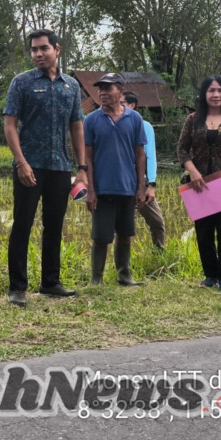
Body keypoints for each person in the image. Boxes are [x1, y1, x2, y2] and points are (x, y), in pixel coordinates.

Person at [3, 28, 87, 307]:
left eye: (43, 48)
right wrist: (21, 162)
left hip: (61, 167)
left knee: (54, 225)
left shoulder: (71, 86)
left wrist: (82, 166)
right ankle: (17, 288)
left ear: (57, 50)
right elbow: (10, 124)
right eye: (34, 50)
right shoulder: (22, 83)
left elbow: (76, 126)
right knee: (23, 225)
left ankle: (50, 282)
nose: (38, 54)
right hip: (30, 166)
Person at [177, 76, 221, 293]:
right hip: (199, 185)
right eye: (211, 90)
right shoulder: (193, 119)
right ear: (204, 94)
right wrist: (194, 173)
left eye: (220, 90)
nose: (216, 95)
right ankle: (210, 275)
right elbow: (181, 149)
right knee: (204, 233)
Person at [85, 74, 147, 286]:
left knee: (125, 233)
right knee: (101, 236)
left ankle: (124, 275)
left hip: (127, 187)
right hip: (102, 188)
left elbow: (140, 155)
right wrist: (90, 190)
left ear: (120, 91)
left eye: (107, 88)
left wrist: (141, 187)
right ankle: (96, 279)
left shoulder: (135, 119)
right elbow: (88, 157)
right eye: (100, 89)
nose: (102, 93)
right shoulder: (91, 120)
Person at [122, 90, 166, 249]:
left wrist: (151, 184)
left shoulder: (144, 126)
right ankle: (121, 264)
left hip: (140, 181)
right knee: (121, 226)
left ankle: (159, 255)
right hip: (120, 182)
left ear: (132, 105)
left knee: (157, 221)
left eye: (122, 104)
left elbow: (150, 155)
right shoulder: (112, 124)